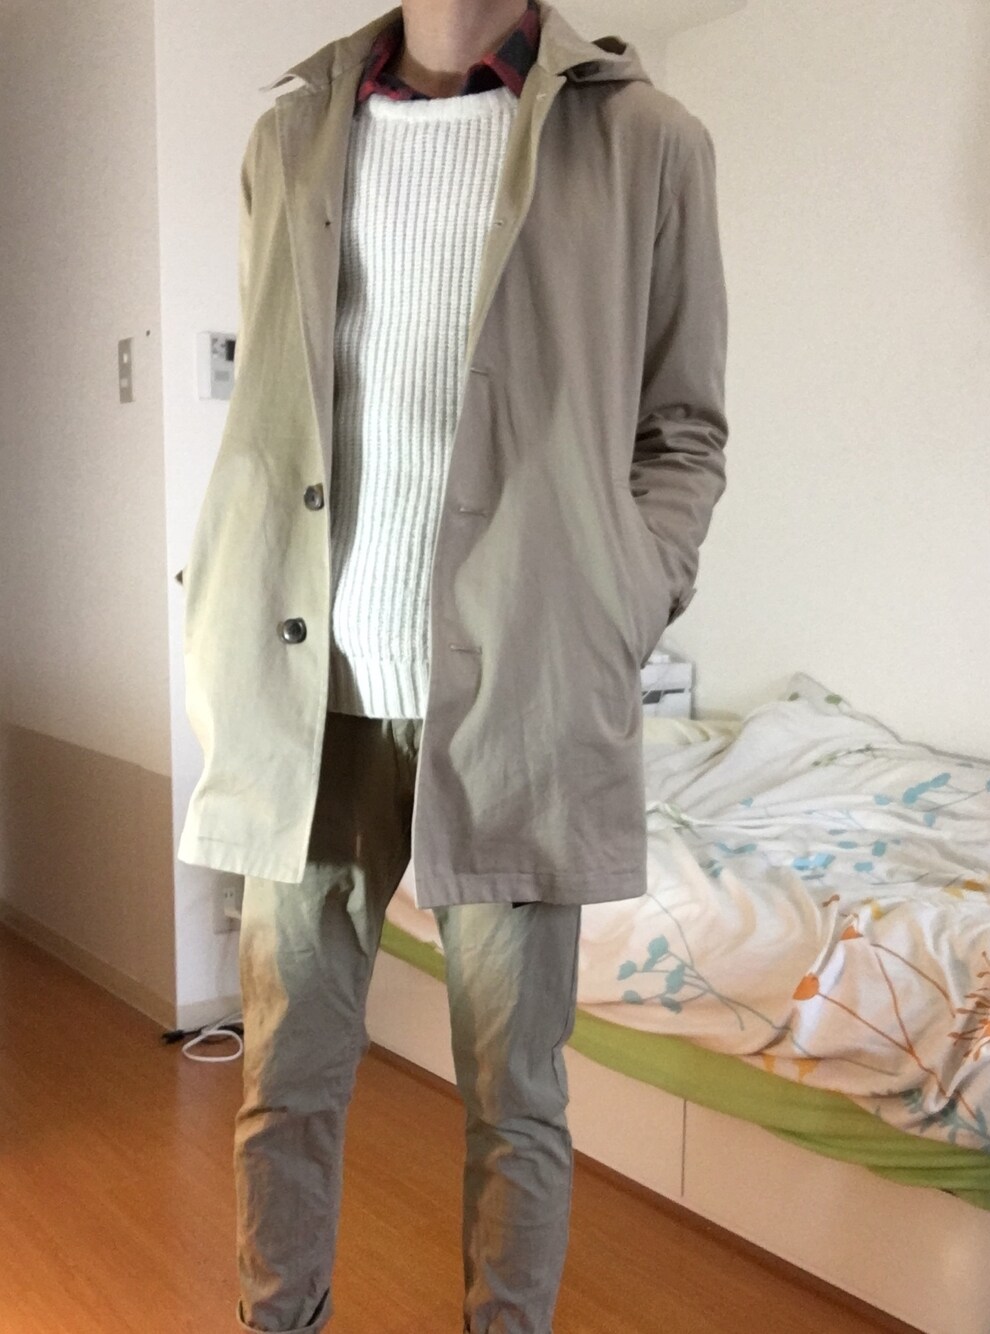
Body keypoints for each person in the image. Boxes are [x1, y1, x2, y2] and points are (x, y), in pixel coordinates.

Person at [175, 2, 728, 1330]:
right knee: (285, 1081)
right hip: (310, 702)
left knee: (516, 1097)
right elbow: (280, 409)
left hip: (525, 698)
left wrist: (622, 600)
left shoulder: (648, 141)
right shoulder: (289, 138)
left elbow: (683, 429)